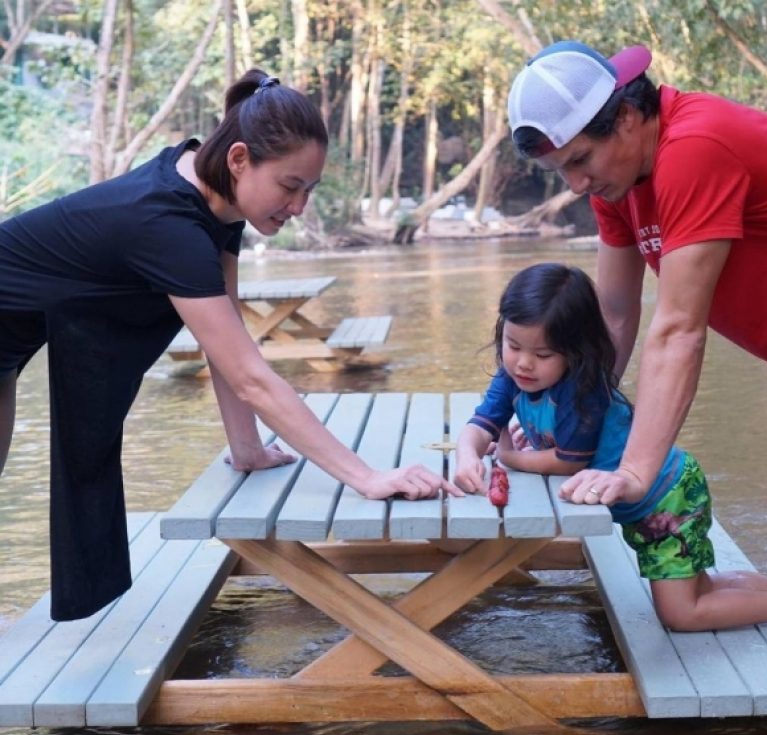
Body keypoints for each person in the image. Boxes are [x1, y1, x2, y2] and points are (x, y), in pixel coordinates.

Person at [0, 70, 461, 621]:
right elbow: (250, 376)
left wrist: (248, 449)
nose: (299, 207)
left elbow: (229, 345)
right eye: (290, 186)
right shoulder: (167, 224)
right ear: (239, 159)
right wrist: (366, 477)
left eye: (309, 191)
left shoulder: (217, 202)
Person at [506, 40, 767, 582]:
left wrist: (635, 471)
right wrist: (566, 410)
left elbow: (678, 330)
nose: (577, 185)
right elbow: (614, 313)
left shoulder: (696, 147)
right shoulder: (618, 184)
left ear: (626, 117)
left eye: (580, 160)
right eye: (562, 170)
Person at [454, 263, 767, 637]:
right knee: (700, 588)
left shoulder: (583, 391)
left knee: (682, 612)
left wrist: (511, 457)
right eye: (513, 345)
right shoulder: (513, 375)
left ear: (575, 352)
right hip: (643, 504)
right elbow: (481, 424)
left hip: (667, 498)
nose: (523, 363)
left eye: (543, 354)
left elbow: (567, 463)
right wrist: (469, 454)